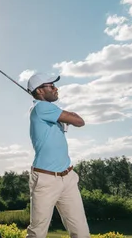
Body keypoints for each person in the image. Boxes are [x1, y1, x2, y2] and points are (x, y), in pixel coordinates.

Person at [26, 73, 90, 238]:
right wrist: (67, 115)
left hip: (67, 177)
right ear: (40, 91)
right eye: (51, 86)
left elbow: (75, 120)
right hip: (46, 180)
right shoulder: (42, 107)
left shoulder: (47, 109)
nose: (56, 88)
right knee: (37, 233)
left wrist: (64, 116)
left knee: (81, 232)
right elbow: (79, 121)